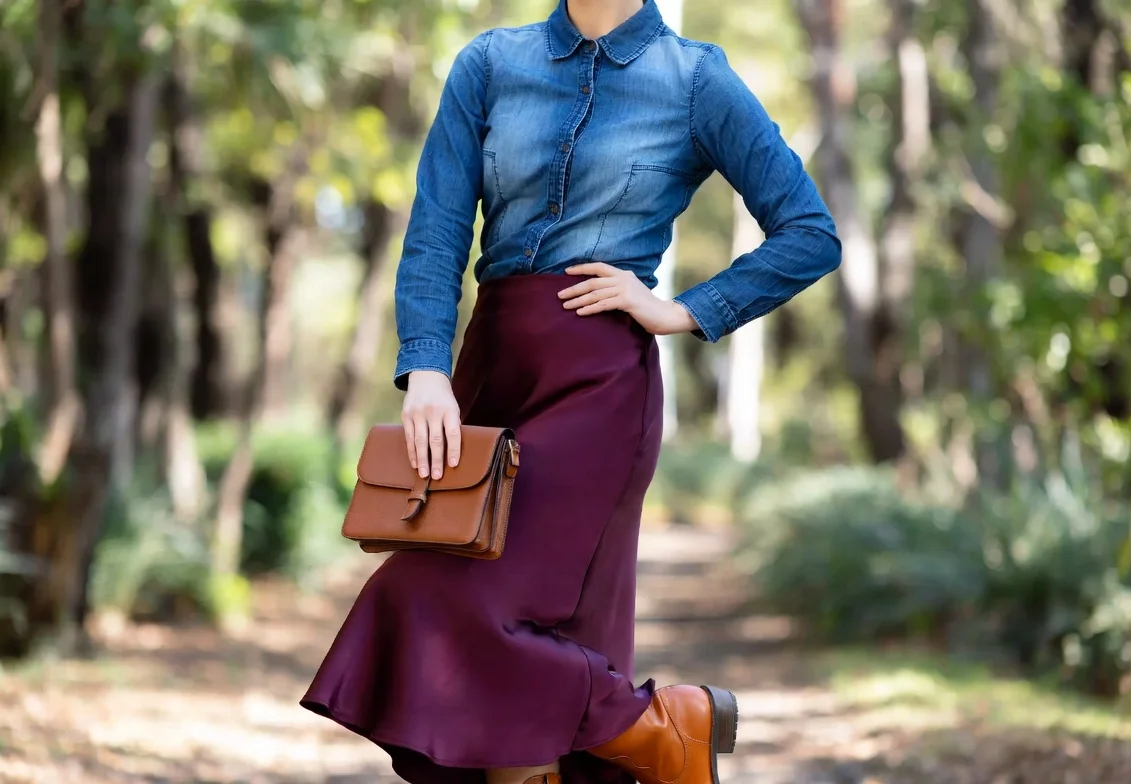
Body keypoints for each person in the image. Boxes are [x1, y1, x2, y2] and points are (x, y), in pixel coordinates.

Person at [301, 0, 841, 782]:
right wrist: (425, 366)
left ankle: (663, 728)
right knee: (505, 681)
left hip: (600, 391)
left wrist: (685, 310)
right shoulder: (490, 63)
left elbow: (808, 231)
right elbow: (438, 228)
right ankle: (657, 728)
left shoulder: (694, 79)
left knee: (439, 599)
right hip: (485, 382)